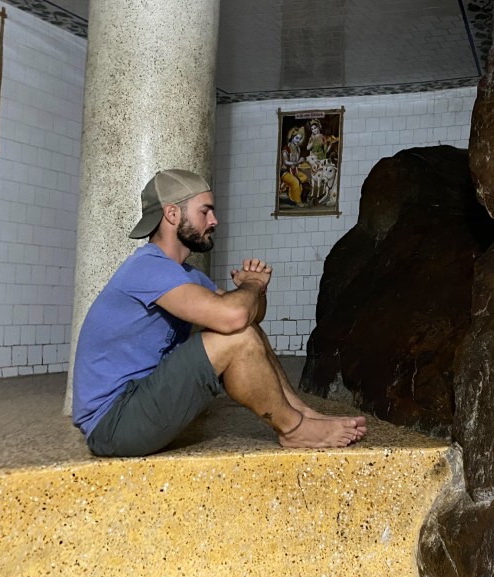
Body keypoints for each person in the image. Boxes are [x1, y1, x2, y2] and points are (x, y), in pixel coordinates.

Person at [72, 168, 366, 457]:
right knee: (235, 335)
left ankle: (301, 413)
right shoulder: (148, 267)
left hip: (140, 402)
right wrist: (251, 285)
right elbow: (234, 316)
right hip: (113, 424)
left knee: (244, 330)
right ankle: (293, 429)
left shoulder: (184, 274)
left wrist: (258, 291)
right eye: (205, 211)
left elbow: (252, 317)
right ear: (172, 214)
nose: (214, 220)